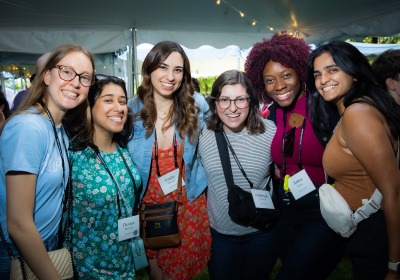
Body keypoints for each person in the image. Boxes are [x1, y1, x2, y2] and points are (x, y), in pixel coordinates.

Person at [244, 33, 343, 280]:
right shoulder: (273, 115)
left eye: (286, 75)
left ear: (300, 72)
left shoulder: (324, 108)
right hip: (286, 207)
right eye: (269, 80)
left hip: (322, 208)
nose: (279, 86)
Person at [307, 40, 400, 280]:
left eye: (333, 69)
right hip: (367, 233)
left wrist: (393, 266)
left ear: (355, 73)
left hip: (377, 235)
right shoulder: (352, 110)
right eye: (317, 74)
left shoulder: (357, 114)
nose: (323, 80)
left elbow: (393, 192)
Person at [0, 44, 94, 279]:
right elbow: (18, 224)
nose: (75, 82)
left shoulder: (56, 125)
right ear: (47, 76)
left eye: (85, 77)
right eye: (66, 71)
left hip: (44, 244)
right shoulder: (28, 127)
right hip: (16, 252)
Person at [127, 41, 211, 280]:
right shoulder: (130, 112)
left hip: (186, 205)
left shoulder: (195, 108)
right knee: (156, 274)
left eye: (178, 69)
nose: (170, 76)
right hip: (150, 208)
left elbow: (215, 138)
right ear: (149, 70)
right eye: (163, 67)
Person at [197, 69, 277, 279]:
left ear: (251, 101)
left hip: (261, 233)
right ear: (215, 102)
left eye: (240, 99)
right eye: (225, 100)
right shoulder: (203, 133)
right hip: (220, 236)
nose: (232, 108)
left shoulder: (270, 131)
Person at [65, 76, 141, 279]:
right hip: (89, 266)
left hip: (125, 260)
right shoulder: (74, 154)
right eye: (108, 100)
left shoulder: (123, 149)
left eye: (122, 101)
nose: (119, 107)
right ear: (90, 106)